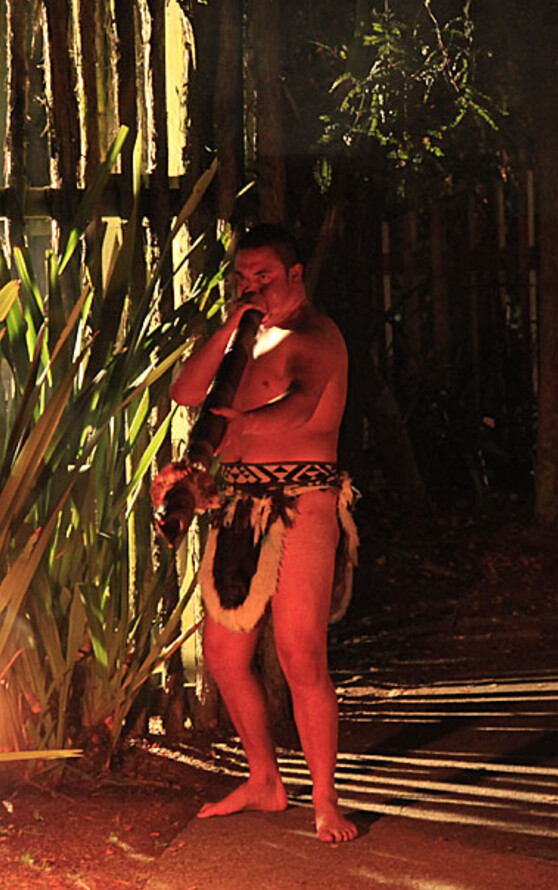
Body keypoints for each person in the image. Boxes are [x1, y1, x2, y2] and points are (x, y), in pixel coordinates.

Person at [166, 224, 360, 843]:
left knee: (301, 653)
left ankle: (325, 800)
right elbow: (185, 391)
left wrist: (236, 429)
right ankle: (265, 781)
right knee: (224, 657)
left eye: (264, 278)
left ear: (295, 275)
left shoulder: (317, 336)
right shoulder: (244, 340)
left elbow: (300, 409)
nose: (252, 288)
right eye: (242, 278)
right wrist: (229, 328)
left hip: (305, 501)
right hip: (240, 506)